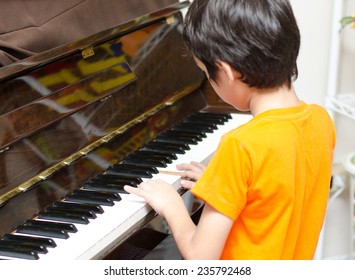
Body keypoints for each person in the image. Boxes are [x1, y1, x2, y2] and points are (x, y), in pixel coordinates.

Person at [124, 0, 336, 260]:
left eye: (205, 72)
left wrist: (172, 206)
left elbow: (200, 257)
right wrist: (222, 186)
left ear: (226, 71)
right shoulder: (321, 121)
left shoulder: (241, 145)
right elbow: (275, 196)